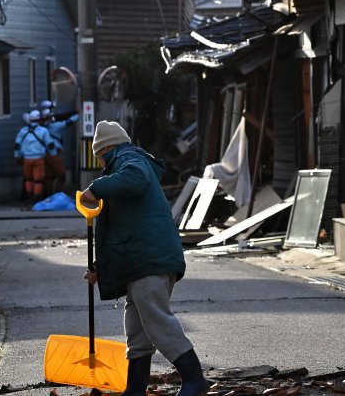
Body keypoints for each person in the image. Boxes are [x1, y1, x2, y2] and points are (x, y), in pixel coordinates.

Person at [80, 120, 209, 396]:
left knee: (156, 319)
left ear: (107, 149)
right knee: (137, 328)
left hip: (150, 260)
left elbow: (135, 178)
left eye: (100, 157)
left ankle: (194, 379)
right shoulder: (122, 166)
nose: (101, 163)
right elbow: (116, 233)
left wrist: (98, 186)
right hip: (140, 261)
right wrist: (98, 269)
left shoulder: (129, 158)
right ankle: (135, 388)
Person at [14, 110, 56, 206]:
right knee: (38, 180)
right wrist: (53, 155)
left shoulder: (23, 131)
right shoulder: (43, 131)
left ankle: (29, 199)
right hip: (38, 159)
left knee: (28, 179)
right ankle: (37, 200)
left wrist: (16, 156)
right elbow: (50, 145)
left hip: (26, 159)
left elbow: (17, 145)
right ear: (39, 119)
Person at [41, 107, 79, 196]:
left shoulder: (40, 127)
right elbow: (69, 122)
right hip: (54, 153)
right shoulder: (54, 126)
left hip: (43, 153)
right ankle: (58, 194)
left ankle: (48, 195)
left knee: (49, 176)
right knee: (61, 175)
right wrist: (79, 115)